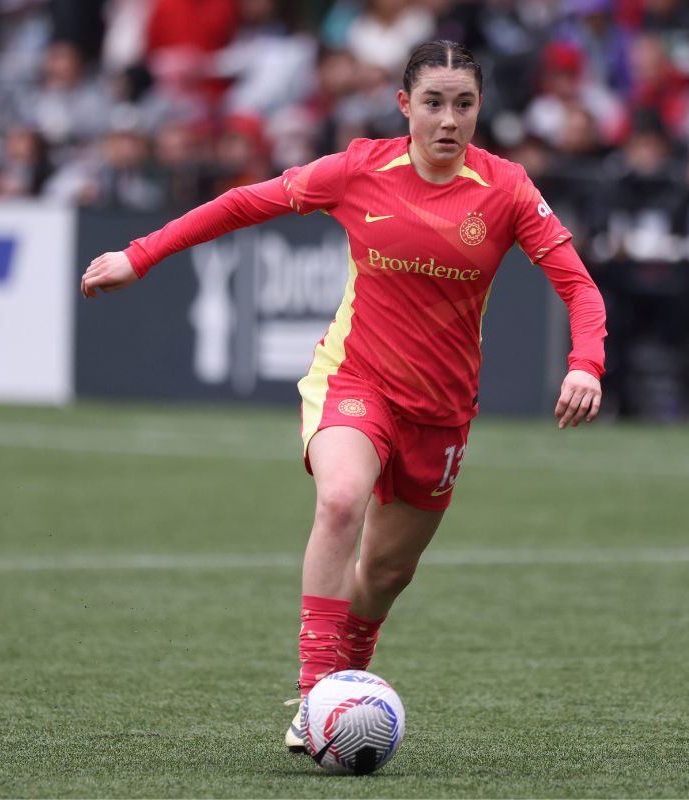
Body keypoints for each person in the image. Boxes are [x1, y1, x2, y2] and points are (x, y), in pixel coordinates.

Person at [79, 40, 606, 753]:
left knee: (385, 576)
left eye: (464, 104)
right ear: (404, 106)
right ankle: (315, 694)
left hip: (441, 414)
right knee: (339, 500)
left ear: (480, 108)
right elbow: (244, 203)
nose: (448, 120)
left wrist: (586, 364)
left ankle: (340, 692)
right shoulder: (361, 167)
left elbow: (577, 284)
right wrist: (139, 255)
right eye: (433, 103)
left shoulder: (508, 188)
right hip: (354, 380)